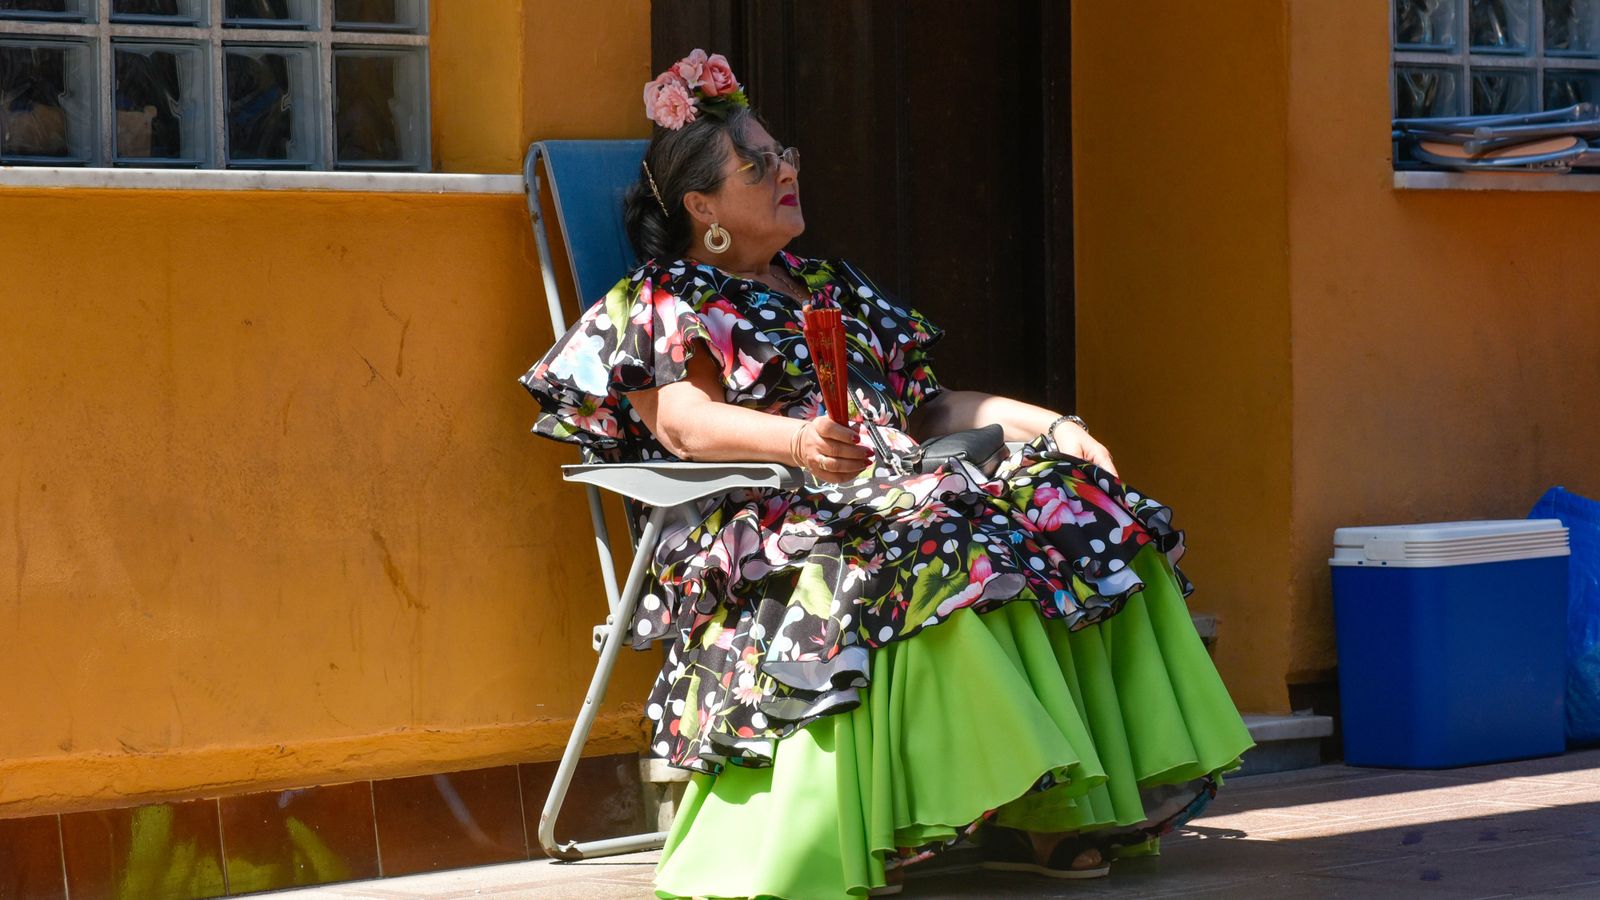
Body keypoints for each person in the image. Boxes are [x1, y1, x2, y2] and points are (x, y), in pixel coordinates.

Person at [520, 49, 1253, 900]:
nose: (784, 172)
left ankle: (1055, 806)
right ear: (702, 206)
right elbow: (682, 423)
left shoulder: (829, 286)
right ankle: (975, 803)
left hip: (891, 479)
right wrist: (797, 446)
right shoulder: (663, 296)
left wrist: (1051, 423)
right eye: (757, 165)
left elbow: (930, 408)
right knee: (943, 528)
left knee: (1074, 504)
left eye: (783, 155)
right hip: (766, 508)